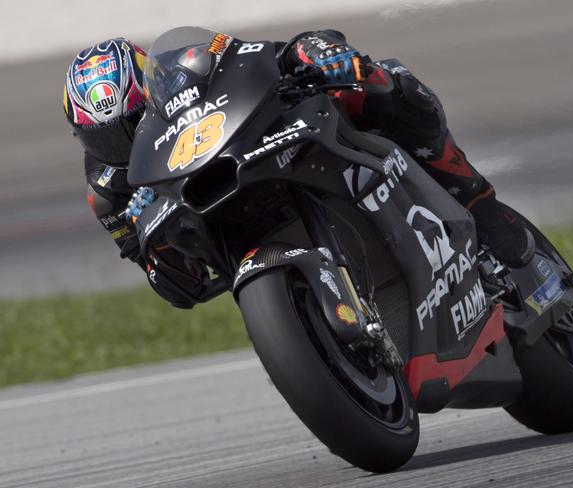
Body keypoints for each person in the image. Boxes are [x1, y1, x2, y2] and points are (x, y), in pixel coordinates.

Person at [63, 31, 534, 308]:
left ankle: (480, 206)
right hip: (227, 228)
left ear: (151, 90)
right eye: (104, 136)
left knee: (382, 83)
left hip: (252, 152)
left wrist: (312, 52)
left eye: (131, 121)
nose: (122, 142)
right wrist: (161, 260)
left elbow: (252, 57)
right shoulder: (107, 190)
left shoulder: (186, 69)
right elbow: (180, 286)